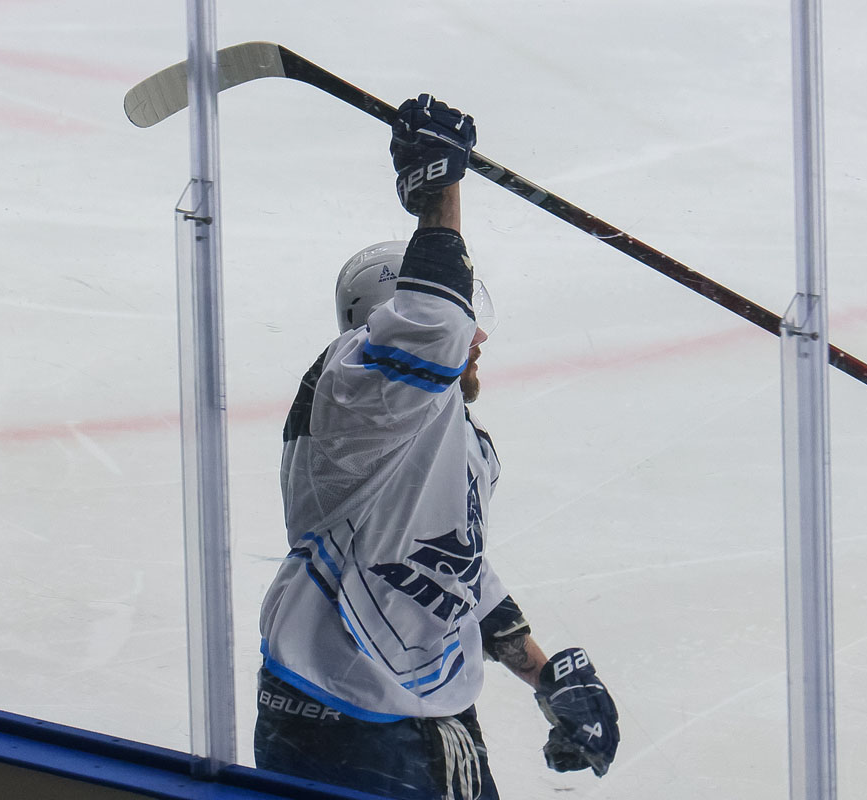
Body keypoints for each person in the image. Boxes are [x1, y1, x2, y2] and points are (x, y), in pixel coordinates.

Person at [253, 94, 620, 800]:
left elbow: (451, 569)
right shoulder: (356, 399)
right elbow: (434, 326)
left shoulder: (439, 431)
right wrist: (438, 193)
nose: (477, 336)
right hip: (342, 718)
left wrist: (542, 672)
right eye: (463, 316)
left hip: (417, 716)